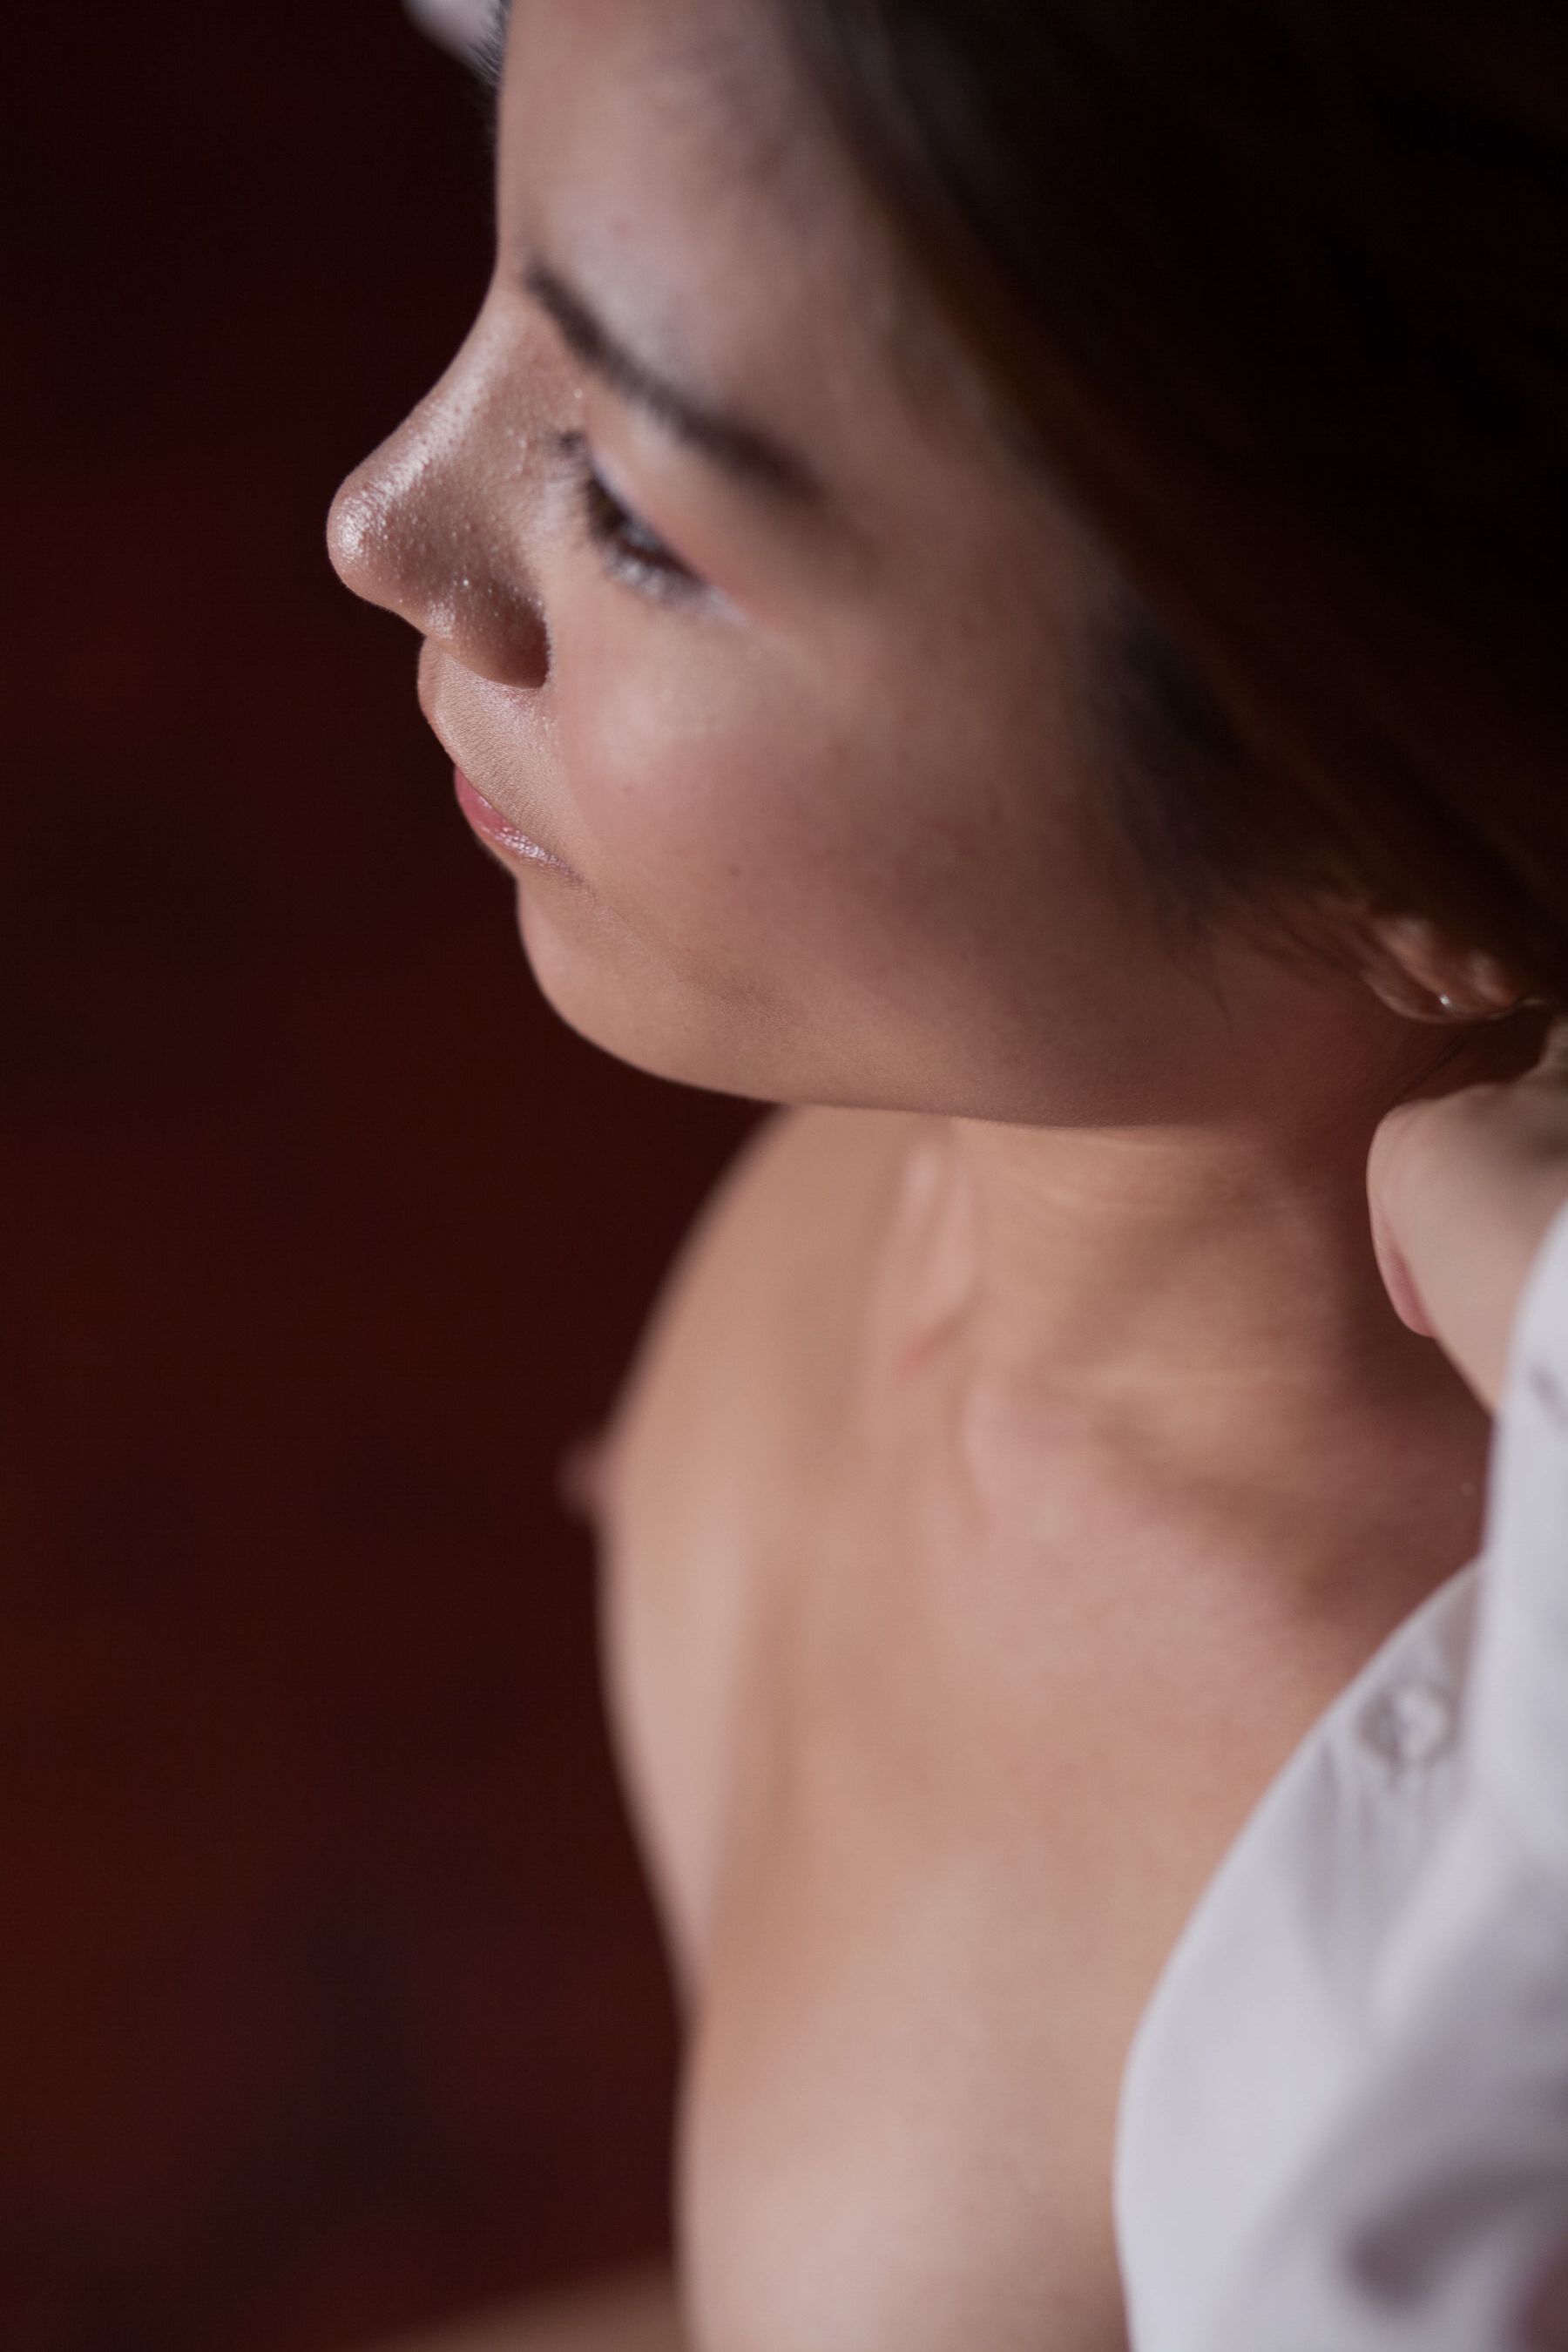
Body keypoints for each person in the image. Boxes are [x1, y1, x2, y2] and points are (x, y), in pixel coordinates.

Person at [328, 1, 1568, 2344]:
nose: (381, 526)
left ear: (1394, 851)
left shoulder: (1425, 1997)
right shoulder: (1001, 1076)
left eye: (633, 516)